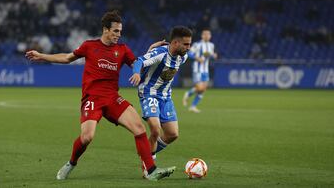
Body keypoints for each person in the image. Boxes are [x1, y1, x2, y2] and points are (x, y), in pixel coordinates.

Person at [25, 10, 175, 181]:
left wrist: (147, 55)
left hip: (112, 98)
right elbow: (67, 58)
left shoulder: (122, 49)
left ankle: (151, 170)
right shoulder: (89, 46)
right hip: (92, 98)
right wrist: (42, 56)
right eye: (115, 31)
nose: (119, 35)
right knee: (87, 137)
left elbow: (138, 64)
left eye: (120, 31)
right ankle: (71, 163)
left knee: (139, 129)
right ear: (105, 29)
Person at [129, 26, 192, 173]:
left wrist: (150, 48)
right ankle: (149, 168)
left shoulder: (183, 57)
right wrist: (137, 73)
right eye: (186, 44)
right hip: (149, 93)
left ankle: (148, 153)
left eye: (189, 44)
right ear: (175, 43)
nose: (189, 48)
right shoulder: (160, 53)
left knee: (172, 134)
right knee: (155, 129)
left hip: (165, 97)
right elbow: (139, 61)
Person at [182, 28, 218, 113]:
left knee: (203, 89)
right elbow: (189, 53)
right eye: (205, 34)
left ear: (210, 36)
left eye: (208, 34)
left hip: (205, 70)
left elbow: (210, 55)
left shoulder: (211, 45)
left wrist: (214, 55)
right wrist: (197, 58)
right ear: (202, 35)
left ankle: (193, 106)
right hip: (197, 69)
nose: (207, 36)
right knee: (199, 87)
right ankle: (188, 94)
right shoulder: (197, 44)